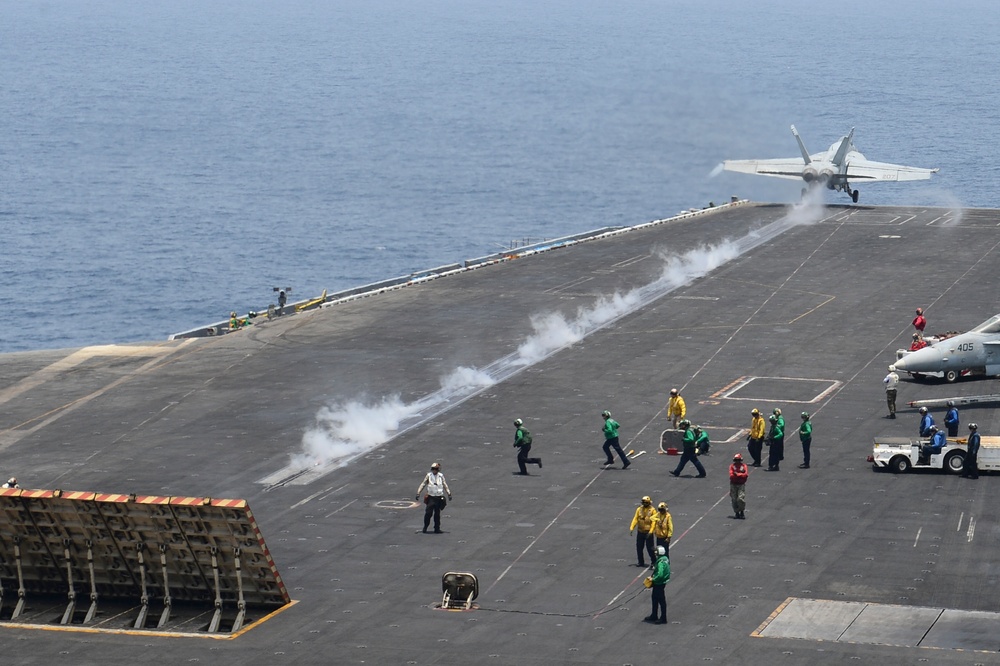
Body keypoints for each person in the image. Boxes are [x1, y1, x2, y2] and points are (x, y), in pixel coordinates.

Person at [415, 462, 452, 533]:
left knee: (437, 514)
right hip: (431, 497)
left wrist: (449, 494)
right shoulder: (429, 476)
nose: (434, 470)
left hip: (438, 497)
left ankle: (437, 528)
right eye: (433, 469)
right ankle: (425, 527)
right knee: (428, 513)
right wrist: (418, 493)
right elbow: (423, 484)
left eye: (436, 469)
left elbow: (445, 485)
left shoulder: (441, 476)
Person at [643, 545, 670, 625]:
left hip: (659, 583)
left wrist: (653, 579)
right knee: (655, 598)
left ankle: (663, 618)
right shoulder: (665, 559)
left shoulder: (660, 563)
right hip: (661, 582)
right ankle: (654, 615)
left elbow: (660, 574)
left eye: (656, 551)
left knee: (660, 600)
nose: (655, 552)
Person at [629, 496, 656, 567]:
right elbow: (635, 518)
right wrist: (632, 527)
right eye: (643, 503)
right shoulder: (639, 509)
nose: (644, 504)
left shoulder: (653, 510)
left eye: (646, 503)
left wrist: (651, 531)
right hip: (640, 531)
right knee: (639, 547)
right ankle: (640, 562)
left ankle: (654, 561)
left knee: (650, 548)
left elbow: (654, 522)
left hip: (648, 532)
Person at [729, 453, 749, 519]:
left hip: (741, 484)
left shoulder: (744, 466)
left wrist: (737, 474)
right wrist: (741, 475)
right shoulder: (732, 466)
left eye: (739, 460)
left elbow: (745, 474)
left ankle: (742, 511)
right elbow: (731, 475)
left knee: (740, 499)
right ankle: (737, 513)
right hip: (733, 484)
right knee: (734, 499)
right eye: (736, 460)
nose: (737, 461)